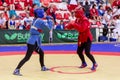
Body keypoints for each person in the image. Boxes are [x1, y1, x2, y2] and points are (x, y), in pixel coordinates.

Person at [13, 8, 49, 76]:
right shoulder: (39, 21)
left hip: (33, 41)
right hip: (33, 42)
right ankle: (16, 70)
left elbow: (37, 29)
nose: (44, 14)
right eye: (43, 13)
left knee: (41, 53)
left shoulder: (35, 20)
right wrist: (49, 20)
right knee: (27, 57)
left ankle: (43, 66)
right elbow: (48, 29)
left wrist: (39, 30)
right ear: (40, 14)